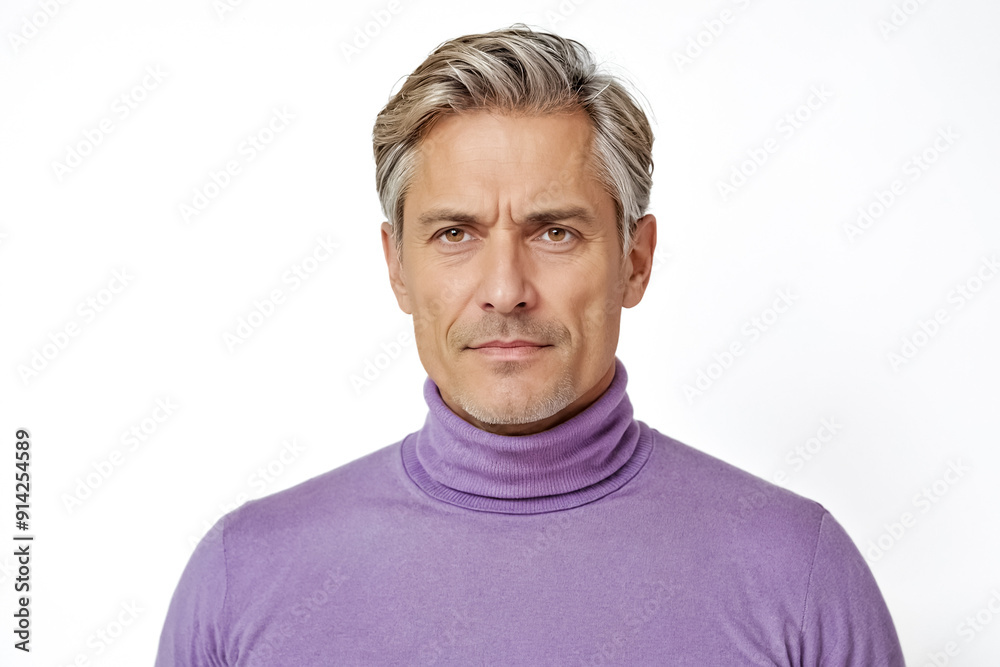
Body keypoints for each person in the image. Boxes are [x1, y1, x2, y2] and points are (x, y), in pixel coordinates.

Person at [156, 24, 905, 665]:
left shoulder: (799, 574)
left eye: (555, 231)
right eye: (457, 233)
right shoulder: (243, 574)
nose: (506, 287)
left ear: (634, 260)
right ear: (397, 267)